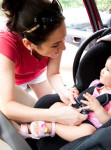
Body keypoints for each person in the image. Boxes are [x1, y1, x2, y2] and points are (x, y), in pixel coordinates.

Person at [0, 0, 87, 132]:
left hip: (37, 72)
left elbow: (53, 73)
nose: (63, 47)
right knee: (28, 116)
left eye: (63, 39)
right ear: (28, 44)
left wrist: (63, 91)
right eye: (55, 45)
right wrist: (56, 116)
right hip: (14, 80)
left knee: (46, 104)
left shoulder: (54, 34)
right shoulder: (6, 44)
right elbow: (7, 106)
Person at [18, 52, 111, 141]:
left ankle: (51, 128)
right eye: (104, 67)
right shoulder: (96, 85)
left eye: (108, 70)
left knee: (88, 132)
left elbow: (108, 121)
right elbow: (82, 97)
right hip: (76, 111)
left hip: (89, 124)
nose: (102, 71)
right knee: (57, 105)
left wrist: (98, 108)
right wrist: (76, 94)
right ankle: (43, 122)